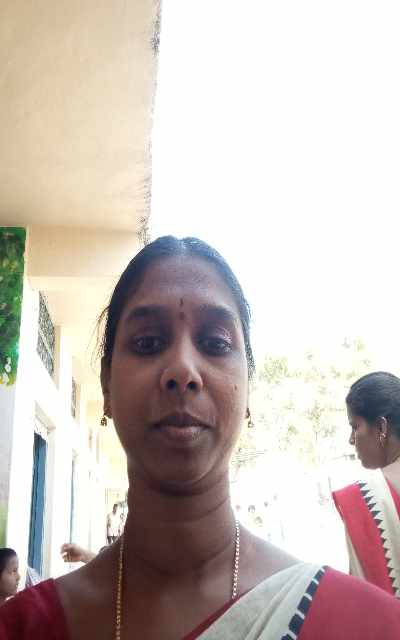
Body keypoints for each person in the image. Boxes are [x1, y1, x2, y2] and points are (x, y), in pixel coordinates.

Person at [1, 236, 400, 638]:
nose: (182, 370)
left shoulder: (364, 625)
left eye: (215, 343)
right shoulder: (22, 628)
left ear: (248, 389)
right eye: (148, 343)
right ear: (106, 384)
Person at [332, 371, 400, 597]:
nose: (351, 439)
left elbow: (366, 604)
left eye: (355, 426)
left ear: (381, 428)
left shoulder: (364, 500)